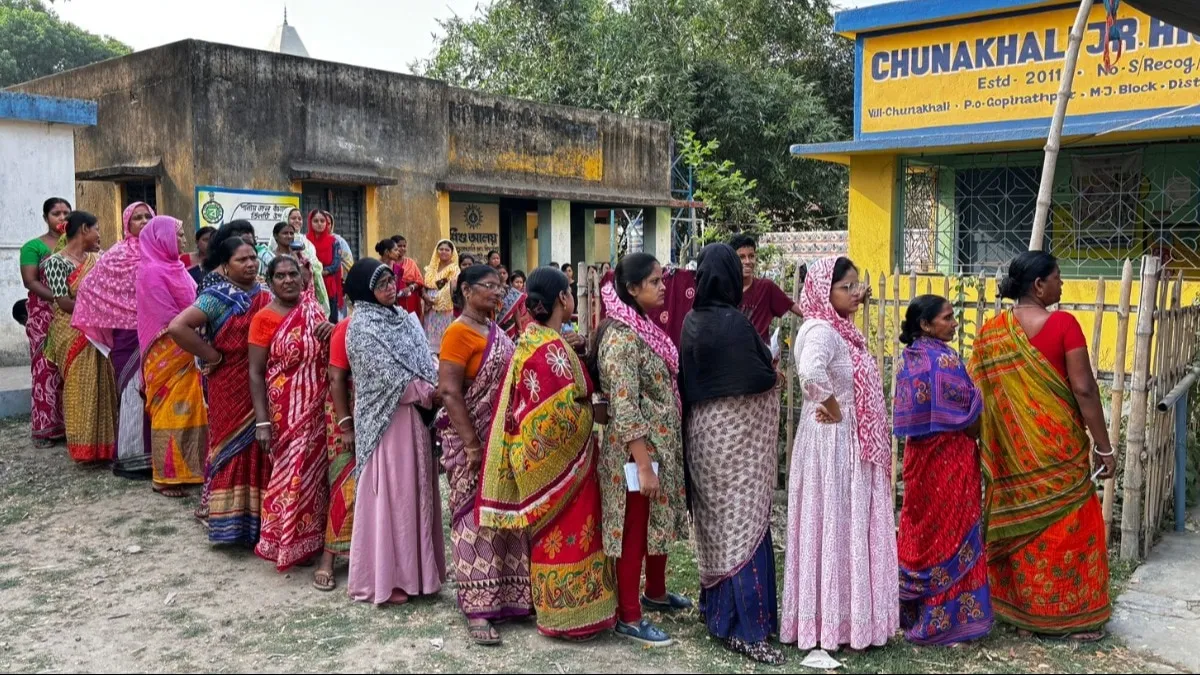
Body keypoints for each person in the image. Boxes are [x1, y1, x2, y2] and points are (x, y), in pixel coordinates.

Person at [967, 251, 1114, 641]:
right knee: (1072, 524)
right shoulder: (1064, 325)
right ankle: (1077, 619)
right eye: (1058, 277)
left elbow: (978, 396)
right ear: (1039, 286)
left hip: (1013, 457)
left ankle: (1021, 615)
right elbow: (1083, 389)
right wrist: (1104, 447)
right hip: (1059, 451)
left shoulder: (990, 332)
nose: (1062, 285)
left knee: (1024, 527)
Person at [479, 265, 618, 641]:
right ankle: (572, 618)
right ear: (562, 299)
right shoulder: (548, 348)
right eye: (570, 291)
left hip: (535, 463)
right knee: (573, 532)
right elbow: (561, 419)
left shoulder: (535, 339)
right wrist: (593, 411)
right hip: (562, 464)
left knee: (553, 536)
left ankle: (559, 612)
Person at [781, 256, 899, 652]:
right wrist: (834, 408)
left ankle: (850, 622)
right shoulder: (819, 331)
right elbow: (811, 374)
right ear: (822, 291)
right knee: (833, 523)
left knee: (849, 525)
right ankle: (828, 623)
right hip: (833, 441)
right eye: (845, 287)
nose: (854, 293)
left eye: (855, 285)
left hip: (848, 439)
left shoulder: (839, 328)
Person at [679, 244, 785, 665]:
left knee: (717, 527)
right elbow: (762, 376)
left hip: (703, 438)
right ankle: (747, 630)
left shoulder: (690, 322)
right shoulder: (736, 324)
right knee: (745, 527)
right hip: (738, 443)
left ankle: (716, 614)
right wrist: (773, 367)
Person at [591, 252, 691, 647]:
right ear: (632, 289)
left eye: (662, 279)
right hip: (634, 453)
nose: (663, 286)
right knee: (633, 529)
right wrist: (644, 464)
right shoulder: (620, 336)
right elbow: (624, 403)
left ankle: (657, 592)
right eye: (654, 281)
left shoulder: (642, 327)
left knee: (656, 521)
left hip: (657, 446)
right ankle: (629, 616)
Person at [436, 264, 533, 645]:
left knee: (505, 513)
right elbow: (449, 391)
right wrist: (472, 444)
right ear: (466, 289)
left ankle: (511, 596)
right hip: (471, 442)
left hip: (503, 441)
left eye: (500, 286)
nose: (498, 292)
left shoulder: (495, 330)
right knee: (473, 520)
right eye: (489, 286)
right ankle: (478, 608)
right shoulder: (458, 332)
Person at [343, 259, 445, 605]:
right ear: (363, 291)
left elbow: (424, 357)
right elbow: (384, 378)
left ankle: (420, 575)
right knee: (396, 497)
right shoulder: (361, 328)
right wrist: (430, 391)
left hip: (417, 420)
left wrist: (435, 380)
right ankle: (391, 579)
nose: (389, 287)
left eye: (390, 280)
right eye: (380, 283)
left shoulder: (402, 318)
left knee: (418, 492)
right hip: (388, 422)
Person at [894, 295, 993, 646]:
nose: (954, 324)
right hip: (950, 461)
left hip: (919, 461)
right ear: (926, 325)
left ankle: (912, 612)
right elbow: (969, 418)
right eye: (947, 318)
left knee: (921, 529)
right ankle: (945, 623)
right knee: (950, 535)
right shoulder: (946, 360)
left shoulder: (910, 358)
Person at [168, 237, 272, 545]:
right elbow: (178, 327)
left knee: (261, 448)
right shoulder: (218, 296)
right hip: (230, 381)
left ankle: (262, 521)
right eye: (242, 260)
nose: (251, 263)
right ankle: (229, 525)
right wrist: (212, 356)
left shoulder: (267, 292)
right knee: (230, 447)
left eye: (253, 257)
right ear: (225, 266)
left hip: (265, 379)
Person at [249, 256, 334, 573]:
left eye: (292, 274)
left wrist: (332, 331)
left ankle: (311, 540)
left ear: (303, 278)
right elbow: (256, 373)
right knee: (289, 475)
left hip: (318, 406)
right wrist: (262, 422)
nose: (287, 280)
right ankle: (284, 542)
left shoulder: (314, 310)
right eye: (280, 276)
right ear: (270, 282)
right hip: (284, 410)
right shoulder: (264, 319)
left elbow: (329, 355)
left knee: (314, 477)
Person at [72, 202, 155, 480]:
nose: (143, 221)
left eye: (148, 217)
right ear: (126, 223)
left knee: (157, 393)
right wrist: (117, 313)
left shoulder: (160, 250)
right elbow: (89, 289)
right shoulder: (116, 255)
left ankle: (161, 454)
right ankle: (132, 458)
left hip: (158, 333)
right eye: (137, 218)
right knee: (133, 394)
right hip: (127, 336)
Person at [137, 216, 207, 498]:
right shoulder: (151, 271)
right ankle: (164, 477)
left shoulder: (177, 267)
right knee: (170, 408)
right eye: (177, 235)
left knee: (190, 407)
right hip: (168, 348)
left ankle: (190, 468)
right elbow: (165, 315)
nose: (182, 240)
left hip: (188, 343)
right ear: (161, 239)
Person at [43, 211, 117, 464]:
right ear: (84, 229)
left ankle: (105, 448)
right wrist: (99, 303)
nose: (99, 234)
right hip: (73, 332)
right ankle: (83, 449)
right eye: (96, 229)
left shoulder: (99, 258)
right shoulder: (57, 263)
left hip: (98, 331)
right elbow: (63, 302)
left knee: (103, 386)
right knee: (79, 388)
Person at [20, 197, 71, 447]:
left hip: (71, 314)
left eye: (66, 213)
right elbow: (31, 282)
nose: (62, 218)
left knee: (69, 369)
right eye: (56, 213)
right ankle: (45, 429)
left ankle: (70, 426)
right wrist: (59, 299)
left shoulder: (77, 245)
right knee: (45, 370)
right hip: (44, 316)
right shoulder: (33, 247)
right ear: (45, 218)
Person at [729, 233, 802, 342]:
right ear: (732, 259)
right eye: (742, 257)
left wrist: (825, 317)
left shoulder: (766, 288)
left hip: (760, 356)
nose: (748, 261)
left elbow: (796, 308)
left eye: (751, 256)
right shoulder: (725, 291)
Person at [307, 209, 345, 321]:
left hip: (329, 286)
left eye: (322, 221)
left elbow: (336, 264)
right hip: (311, 285)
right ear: (310, 222)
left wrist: (319, 273)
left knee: (330, 321)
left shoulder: (334, 242)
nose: (320, 224)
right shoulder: (305, 242)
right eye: (316, 221)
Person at [198, 221, 257, 292]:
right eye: (242, 259)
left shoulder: (253, 283)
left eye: (251, 244)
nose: (250, 264)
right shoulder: (212, 286)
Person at [423, 239, 459, 355]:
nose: (443, 252)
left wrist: (434, 301)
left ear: (452, 252)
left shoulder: (453, 269)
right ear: (437, 251)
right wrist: (425, 298)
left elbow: (448, 286)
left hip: (443, 305)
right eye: (441, 249)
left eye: (447, 250)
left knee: (442, 332)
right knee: (429, 331)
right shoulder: (431, 267)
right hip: (428, 305)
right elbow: (424, 284)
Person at [390, 234, 425, 320]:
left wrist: (410, 288)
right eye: (399, 246)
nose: (402, 248)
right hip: (393, 299)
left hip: (410, 300)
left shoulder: (410, 262)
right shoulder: (389, 263)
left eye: (404, 246)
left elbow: (420, 281)